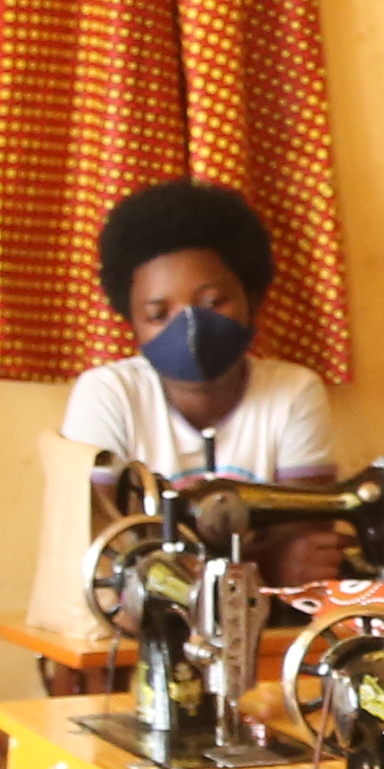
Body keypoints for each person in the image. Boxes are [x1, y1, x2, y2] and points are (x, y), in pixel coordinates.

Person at [40, 179, 347, 607]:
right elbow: (102, 550)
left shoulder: (292, 392)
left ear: (252, 297)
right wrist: (268, 566)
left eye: (213, 301)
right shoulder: (109, 395)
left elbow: (305, 541)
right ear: (129, 321)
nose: (189, 329)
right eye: (157, 314)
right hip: (138, 633)